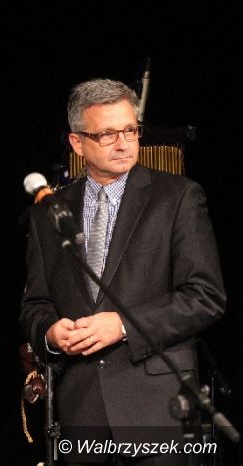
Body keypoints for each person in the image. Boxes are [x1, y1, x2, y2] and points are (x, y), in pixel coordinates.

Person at [20, 78, 226, 465]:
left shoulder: (178, 198)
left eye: (130, 130)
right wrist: (50, 333)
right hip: (83, 412)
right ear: (77, 143)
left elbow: (205, 296)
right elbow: (36, 303)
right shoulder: (48, 214)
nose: (123, 143)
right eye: (107, 134)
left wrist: (123, 325)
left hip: (156, 410)